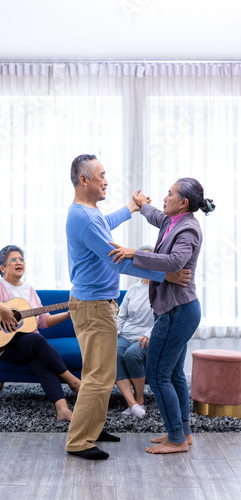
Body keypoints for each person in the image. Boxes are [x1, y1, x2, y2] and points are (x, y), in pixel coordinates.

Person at [65, 154, 191, 461]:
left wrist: (131, 209)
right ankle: (79, 440)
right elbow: (115, 259)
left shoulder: (89, 214)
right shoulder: (83, 217)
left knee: (103, 374)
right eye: (102, 176)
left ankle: (92, 429)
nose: (107, 181)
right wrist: (165, 274)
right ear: (85, 180)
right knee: (98, 376)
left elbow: (105, 224)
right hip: (94, 306)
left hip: (96, 304)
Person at [109, 177, 215, 454]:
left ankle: (176, 439)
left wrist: (134, 254)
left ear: (184, 203)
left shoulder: (188, 229)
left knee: (157, 376)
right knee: (175, 374)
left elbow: (174, 262)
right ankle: (184, 434)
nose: (164, 198)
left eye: (169, 194)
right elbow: (157, 216)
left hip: (177, 312)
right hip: (180, 309)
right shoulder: (173, 221)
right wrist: (142, 206)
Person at [0, 244, 81, 422]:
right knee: (36, 340)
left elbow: (43, 321)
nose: (19, 262)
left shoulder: (29, 290)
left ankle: (63, 409)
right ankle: (72, 380)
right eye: (13, 260)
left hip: (27, 345)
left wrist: (67, 314)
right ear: (2, 267)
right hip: (4, 346)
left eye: (21, 259)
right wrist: (2, 310)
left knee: (41, 362)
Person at [116, 245, 154, 419]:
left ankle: (139, 399)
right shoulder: (133, 289)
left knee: (132, 355)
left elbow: (163, 318)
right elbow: (121, 316)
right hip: (126, 334)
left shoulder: (161, 288)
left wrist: (149, 334)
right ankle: (131, 403)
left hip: (146, 336)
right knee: (113, 353)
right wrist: (115, 332)